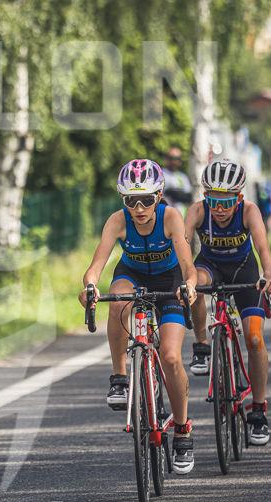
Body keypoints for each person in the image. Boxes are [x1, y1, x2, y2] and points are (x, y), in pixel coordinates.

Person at [79, 159, 197, 474]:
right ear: (124, 200)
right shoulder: (117, 221)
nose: (140, 208)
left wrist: (189, 286)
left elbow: (187, 265)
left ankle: (182, 429)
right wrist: (90, 287)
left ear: (158, 196)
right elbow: (96, 266)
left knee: (170, 356)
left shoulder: (170, 217)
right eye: (132, 201)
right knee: (118, 303)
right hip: (131, 275)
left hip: (169, 280)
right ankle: (119, 378)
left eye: (146, 199)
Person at [185, 160, 271, 445]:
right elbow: (183, 244)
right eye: (213, 201)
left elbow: (262, 247)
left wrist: (268, 274)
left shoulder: (249, 211)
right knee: (195, 284)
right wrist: (184, 277)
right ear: (205, 197)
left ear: (239, 198)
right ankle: (202, 346)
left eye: (226, 202)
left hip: (243, 270)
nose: (220, 209)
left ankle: (258, 410)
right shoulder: (197, 211)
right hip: (209, 266)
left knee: (254, 338)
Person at [161, 147, 193, 212]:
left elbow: (188, 197)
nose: (174, 161)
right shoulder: (160, 174)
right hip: (164, 214)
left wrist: (175, 193)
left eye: (177, 158)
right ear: (166, 158)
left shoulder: (183, 177)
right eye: (171, 158)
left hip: (181, 215)